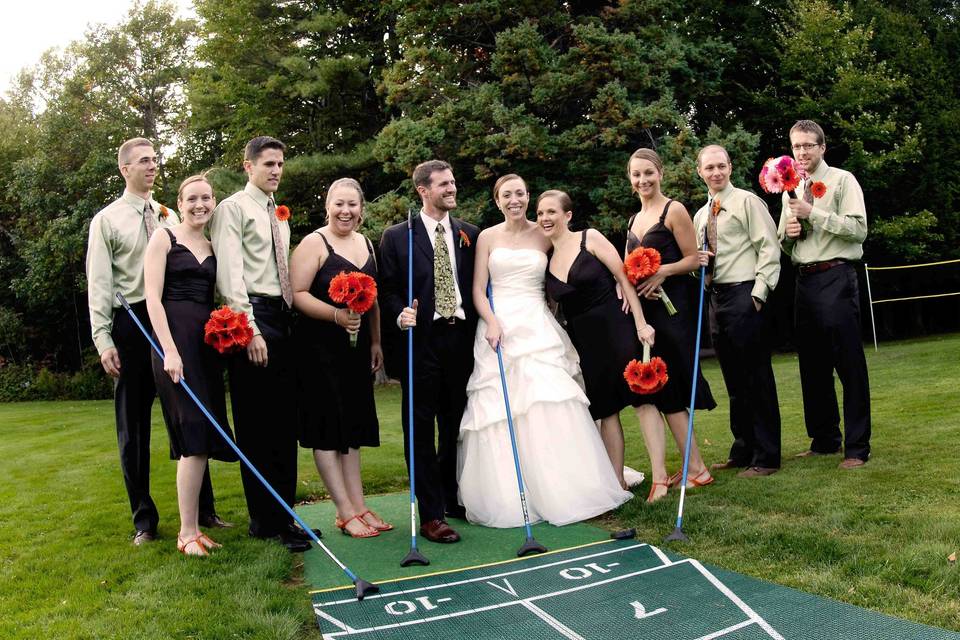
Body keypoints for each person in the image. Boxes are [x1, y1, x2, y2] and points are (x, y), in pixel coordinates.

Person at [457, 174, 633, 527]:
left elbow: (576, 258)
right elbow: (478, 289)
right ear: (497, 200)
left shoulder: (545, 231)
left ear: (528, 197)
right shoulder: (487, 237)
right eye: (507, 195)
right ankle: (511, 494)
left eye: (520, 193)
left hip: (537, 325)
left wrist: (616, 281)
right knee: (502, 412)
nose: (514, 200)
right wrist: (491, 321)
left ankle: (569, 485)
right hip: (499, 327)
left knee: (550, 401)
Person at [86, 137, 228, 546]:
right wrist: (103, 338)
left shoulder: (169, 215)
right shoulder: (107, 220)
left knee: (189, 417)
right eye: (143, 161)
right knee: (133, 424)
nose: (151, 166)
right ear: (124, 169)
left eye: (154, 160)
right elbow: (99, 283)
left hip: (175, 320)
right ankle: (144, 520)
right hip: (131, 323)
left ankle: (203, 512)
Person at [209, 136, 314, 552]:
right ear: (248, 166)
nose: (276, 170)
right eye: (268, 163)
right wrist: (251, 330)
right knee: (257, 426)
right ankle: (264, 522)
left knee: (284, 424)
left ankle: (286, 517)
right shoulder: (232, 209)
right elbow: (230, 277)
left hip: (282, 319)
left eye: (281, 164)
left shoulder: (277, 213)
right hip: (253, 319)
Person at [379, 160, 479, 543]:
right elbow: (386, 290)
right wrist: (398, 313)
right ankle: (431, 514)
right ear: (423, 190)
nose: (452, 188)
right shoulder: (396, 236)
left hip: (462, 341)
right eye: (444, 184)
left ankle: (451, 498)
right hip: (421, 343)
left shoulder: (470, 234)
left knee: (454, 425)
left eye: (453, 182)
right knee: (419, 429)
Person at [144, 175, 239, 556]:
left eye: (206, 198)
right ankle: (186, 533)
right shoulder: (163, 238)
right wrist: (169, 350)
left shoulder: (214, 245)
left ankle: (196, 527)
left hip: (205, 346)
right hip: (174, 344)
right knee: (192, 434)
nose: (200, 204)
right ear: (179, 203)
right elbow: (151, 298)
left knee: (202, 435)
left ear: (213, 201)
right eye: (192, 199)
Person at [290, 178, 391, 539]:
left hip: (357, 349)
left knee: (352, 429)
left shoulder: (366, 243)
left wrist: (376, 341)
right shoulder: (313, 244)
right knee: (328, 429)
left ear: (361, 209)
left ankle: (360, 505)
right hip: (318, 349)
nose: (345, 211)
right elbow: (296, 294)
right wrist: (335, 316)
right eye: (339, 204)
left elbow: (374, 298)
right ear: (327, 205)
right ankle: (344, 512)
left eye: (352, 205)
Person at [540, 190, 656, 489]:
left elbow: (623, 277)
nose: (545, 218)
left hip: (616, 326)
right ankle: (616, 481)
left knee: (641, 400)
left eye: (551, 212)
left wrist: (641, 324)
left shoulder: (589, 238)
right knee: (606, 409)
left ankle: (661, 477)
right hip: (585, 342)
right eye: (540, 213)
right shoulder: (546, 259)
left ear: (567, 215)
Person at [777, 120, 871, 469]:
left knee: (848, 364)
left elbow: (859, 230)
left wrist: (813, 212)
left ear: (822, 148)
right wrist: (788, 232)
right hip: (805, 280)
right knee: (812, 366)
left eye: (808, 146)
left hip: (837, 276)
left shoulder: (842, 181)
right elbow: (783, 244)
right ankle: (824, 439)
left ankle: (857, 448)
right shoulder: (789, 188)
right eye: (796, 146)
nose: (801, 152)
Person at [625, 148, 716, 502]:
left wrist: (662, 270)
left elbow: (696, 259)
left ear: (660, 172)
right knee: (659, 390)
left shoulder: (673, 210)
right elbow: (628, 266)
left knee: (674, 387)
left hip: (675, 310)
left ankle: (697, 470)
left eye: (648, 172)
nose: (643, 180)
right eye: (636, 175)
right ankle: (694, 467)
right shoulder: (633, 221)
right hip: (649, 317)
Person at [693, 145, 782, 478]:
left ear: (730, 167)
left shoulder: (747, 202)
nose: (716, 173)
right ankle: (743, 448)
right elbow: (699, 263)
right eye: (709, 168)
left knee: (756, 377)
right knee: (733, 380)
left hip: (746, 294)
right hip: (716, 299)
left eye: (721, 166)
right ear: (699, 171)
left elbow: (769, 249)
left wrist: (758, 295)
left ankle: (767, 456)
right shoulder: (701, 216)